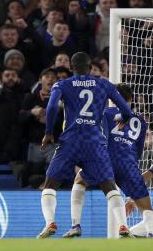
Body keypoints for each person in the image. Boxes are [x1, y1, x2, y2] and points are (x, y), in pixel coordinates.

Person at [37, 52, 134, 239]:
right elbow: (125, 108)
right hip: (95, 141)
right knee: (109, 185)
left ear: (72, 68)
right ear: (90, 68)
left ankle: (50, 222)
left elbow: (50, 108)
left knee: (50, 183)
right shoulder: (103, 83)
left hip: (71, 140)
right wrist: (126, 117)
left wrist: (49, 133)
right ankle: (123, 226)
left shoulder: (62, 84)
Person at [63, 83, 153, 238]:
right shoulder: (141, 121)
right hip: (128, 162)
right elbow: (139, 148)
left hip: (106, 159)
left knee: (80, 179)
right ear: (131, 99)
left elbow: (100, 137)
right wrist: (131, 162)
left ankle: (76, 225)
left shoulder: (105, 113)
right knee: (146, 207)